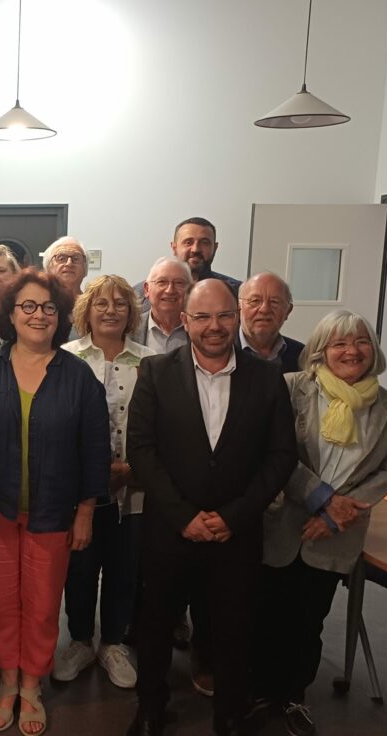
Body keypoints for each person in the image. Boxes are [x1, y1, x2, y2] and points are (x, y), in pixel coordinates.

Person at [125, 279, 297, 736]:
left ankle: (230, 713)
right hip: (169, 529)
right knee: (157, 625)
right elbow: (140, 450)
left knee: (234, 627)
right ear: (185, 321)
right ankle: (150, 709)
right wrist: (183, 516)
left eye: (223, 315)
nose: (214, 326)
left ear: (236, 318)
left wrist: (235, 515)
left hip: (235, 532)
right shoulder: (155, 372)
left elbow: (282, 456)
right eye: (202, 317)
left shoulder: (267, 378)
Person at [251, 311, 387, 736]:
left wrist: (338, 516)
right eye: (339, 343)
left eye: (361, 342)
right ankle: (260, 692)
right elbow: (276, 454)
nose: (351, 351)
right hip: (283, 523)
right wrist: (324, 501)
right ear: (321, 350)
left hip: (338, 534)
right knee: (267, 613)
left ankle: (294, 696)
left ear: (373, 349)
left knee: (309, 620)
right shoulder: (290, 389)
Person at [0, 268, 111, 736]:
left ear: (60, 315)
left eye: (48, 307)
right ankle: (7, 680)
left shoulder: (78, 376)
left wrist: (86, 510)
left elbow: (95, 449)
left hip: (53, 514)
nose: (38, 315)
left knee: (41, 604)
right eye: (28, 306)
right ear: (11, 314)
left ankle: (32, 684)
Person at [54, 275, 155, 689]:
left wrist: (132, 469)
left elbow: (162, 427)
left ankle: (113, 642)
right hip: (79, 491)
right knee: (79, 568)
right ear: (86, 311)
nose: (111, 310)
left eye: (120, 303)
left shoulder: (151, 362)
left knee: (123, 568)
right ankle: (80, 640)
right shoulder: (66, 358)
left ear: (132, 312)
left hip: (134, 488)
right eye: (101, 303)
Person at [133, 218, 242, 310]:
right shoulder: (139, 295)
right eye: (188, 242)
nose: (195, 249)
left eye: (204, 243)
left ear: (215, 247)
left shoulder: (236, 292)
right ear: (174, 247)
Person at [236, 272, 304, 372]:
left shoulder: (302, 355)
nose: (265, 309)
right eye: (255, 301)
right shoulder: (222, 350)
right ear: (238, 307)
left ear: (288, 311)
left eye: (274, 302)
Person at [129, 257, 192, 354]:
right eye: (162, 282)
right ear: (146, 289)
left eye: (179, 283)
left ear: (190, 290)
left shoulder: (200, 328)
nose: (170, 290)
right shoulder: (129, 329)